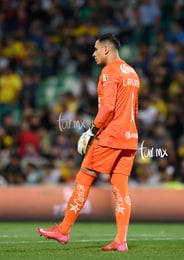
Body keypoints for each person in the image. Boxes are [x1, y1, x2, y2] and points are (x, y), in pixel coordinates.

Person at [36, 33, 140, 252]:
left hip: (111, 135)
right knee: (121, 189)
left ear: (106, 50)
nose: (93, 54)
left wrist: (91, 131)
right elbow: (134, 110)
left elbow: (108, 107)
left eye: (95, 49)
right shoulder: (131, 72)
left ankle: (63, 230)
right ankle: (121, 240)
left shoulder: (109, 72)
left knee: (84, 176)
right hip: (130, 137)